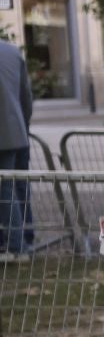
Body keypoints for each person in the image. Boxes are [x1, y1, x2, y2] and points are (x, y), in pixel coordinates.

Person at [0, 38, 32, 258]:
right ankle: (23, 240)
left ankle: (15, 246)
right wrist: (24, 124)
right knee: (15, 186)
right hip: (15, 130)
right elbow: (25, 95)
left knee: (6, 190)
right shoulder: (11, 52)